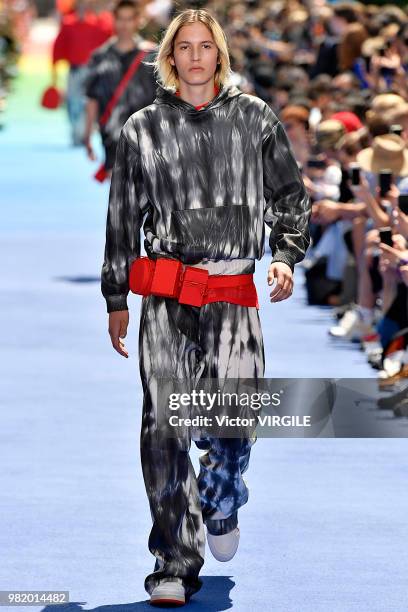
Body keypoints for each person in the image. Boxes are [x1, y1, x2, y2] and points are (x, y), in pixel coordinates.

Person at [100, 8, 311, 607]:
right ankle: (174, 560)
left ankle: (222, 490)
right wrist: (117, 294)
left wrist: (284, 257)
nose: (195, 57)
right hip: (167, 295)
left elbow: (290, 198)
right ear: (169, 57)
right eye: (184, 47)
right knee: (164, 427)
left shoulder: (255, 119)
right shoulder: (142, 129)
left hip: (233, 292)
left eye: (205, 46)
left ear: (220, 54)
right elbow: (122, 216)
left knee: (234, 420)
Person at [83, 0, 157, 181]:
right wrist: (87, 135)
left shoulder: (152, 57)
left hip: (146, 132)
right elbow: (92, 98)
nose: (124, 25)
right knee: (118, 190)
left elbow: (162, 98)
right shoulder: (100, 56)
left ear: (138, 20)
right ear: (113, 20)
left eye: (129, 19)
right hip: (111, 132)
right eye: (120, 19)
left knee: (144, 187)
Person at [51, 0, 114, 145]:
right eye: (80, 3)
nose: (83, 6)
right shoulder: (68, 24)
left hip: (92, 71)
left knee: (90, 103)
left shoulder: (99, 23)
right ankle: (77, 131)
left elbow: (109, 39)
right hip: (75, 70)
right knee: (73, 103)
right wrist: (54, 76)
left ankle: (84, 132)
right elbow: (58, 47)